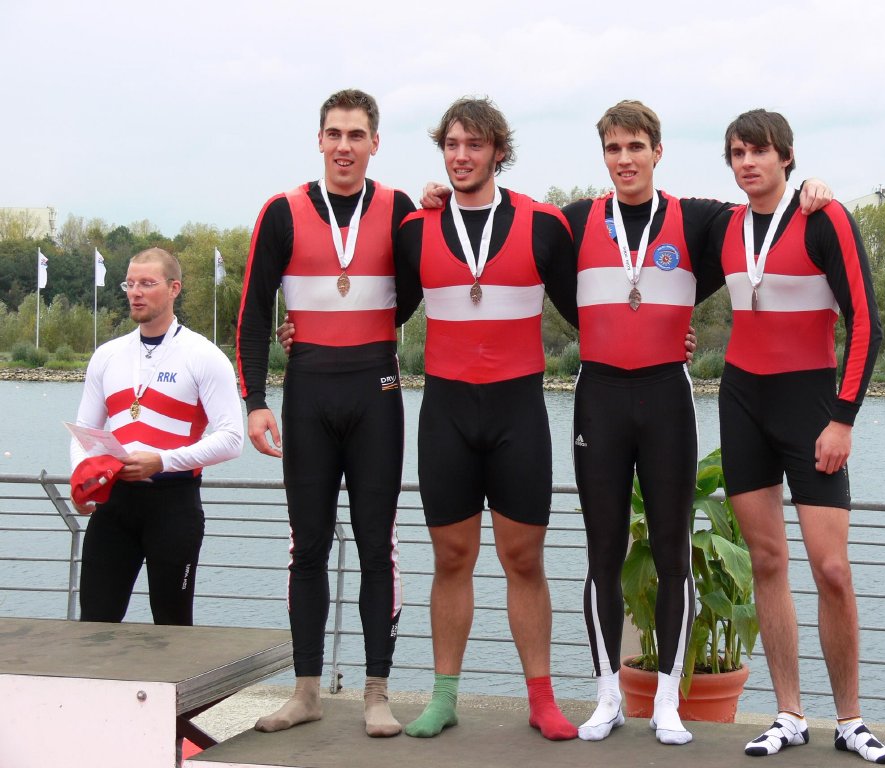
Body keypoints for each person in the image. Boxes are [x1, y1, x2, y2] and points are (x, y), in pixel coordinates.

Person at [559, 100, 831, 746]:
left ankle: (667, 701)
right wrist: (435, 196)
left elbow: (764, 211)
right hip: (599, 396)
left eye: (636, 147)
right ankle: (606, 696)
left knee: (673, 547)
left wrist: (813, 191)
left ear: (658, 151)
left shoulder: (698, 219)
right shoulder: (574, 221)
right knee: (602, 552)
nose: (625, 159)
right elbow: (511, 227)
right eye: (613, 148)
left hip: (666, 398)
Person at [710, 109, 885, 764]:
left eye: (759, 151)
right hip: (742, 403)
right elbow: (655, 269)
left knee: (832, 569)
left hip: (812, 408)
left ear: (786, 157)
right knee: (766, 562)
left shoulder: (824, 218)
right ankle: (788, 713)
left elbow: (867, 323)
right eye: (737, 153)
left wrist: (843, 418)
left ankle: (851, 720)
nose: (747, 163)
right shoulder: (723, 226)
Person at [395, 97, 579, 740]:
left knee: (523, 558)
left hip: (517, 412)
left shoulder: (544, 224)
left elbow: (592, 309)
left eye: (474, 144)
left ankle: (542, 699)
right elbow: (379, 308)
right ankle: (444, 697)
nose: (461, 156)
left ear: (500, 151)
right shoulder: (416, 228)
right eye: (451, 145)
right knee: (452, 557)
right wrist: (300, 332)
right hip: (445, 412)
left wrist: (673, 337)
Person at [236, 88, 417, 736]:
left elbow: (416, 291)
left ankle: (376, 695)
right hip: (308, 390)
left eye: (356, 134)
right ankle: (306, 692)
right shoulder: (281, 211)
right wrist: (256, 402)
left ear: (374, 143)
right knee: (306, 546)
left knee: (377, 547)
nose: (344, 146)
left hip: (377, 390)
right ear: (319, 140)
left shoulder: (399, 210)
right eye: (334, 134)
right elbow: (253, 311)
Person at [70, 247, 243, 626]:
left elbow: (233, 439)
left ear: (173, 288)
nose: (136, 292)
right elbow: (86, 431)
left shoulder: (204, 355)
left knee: (172, 625)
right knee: (94, 624)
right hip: (114, 505)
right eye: (130, 284)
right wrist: (82, 478)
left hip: (174, 505)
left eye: (147, 283)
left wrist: (162, 461)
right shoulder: (107, 355)